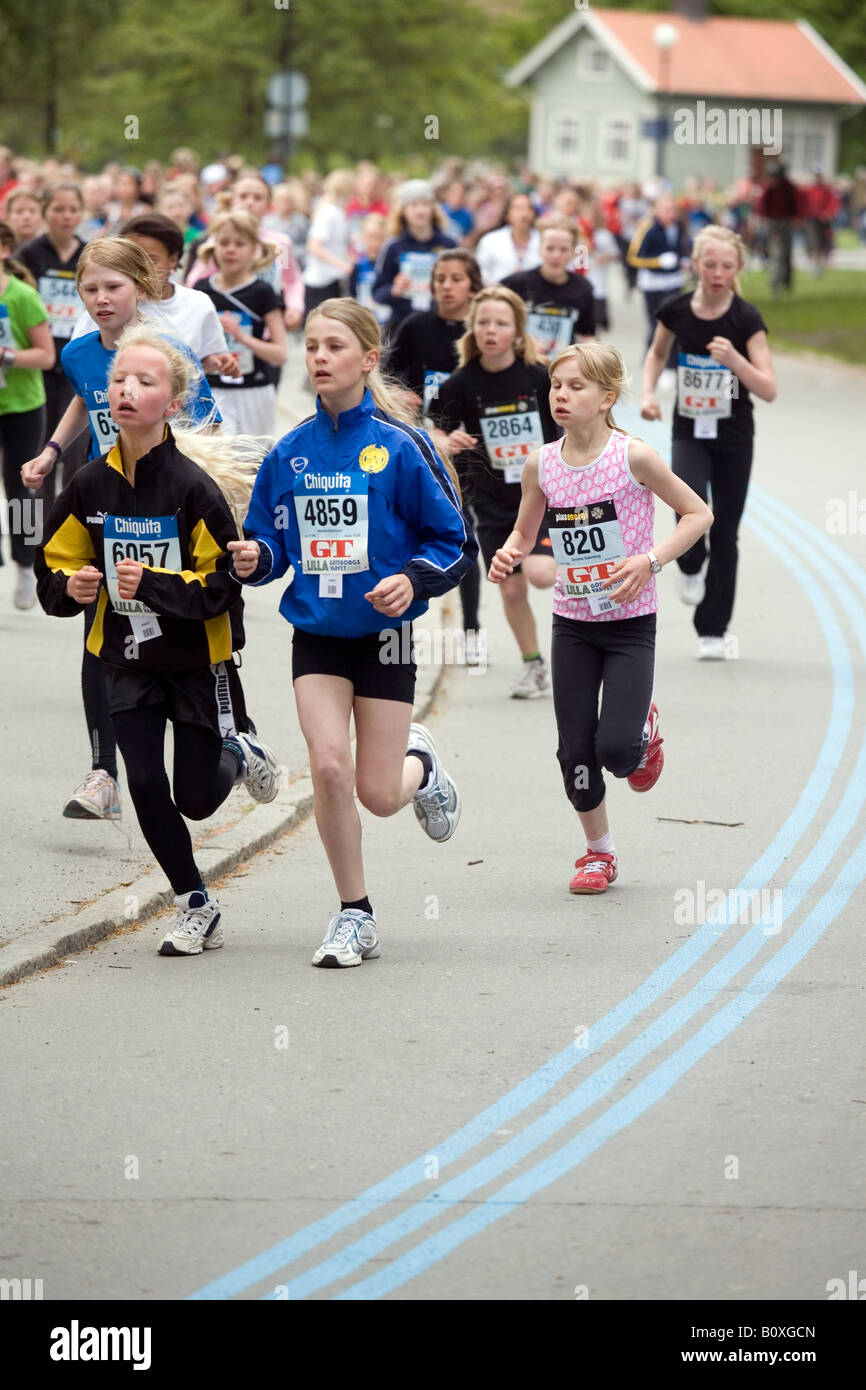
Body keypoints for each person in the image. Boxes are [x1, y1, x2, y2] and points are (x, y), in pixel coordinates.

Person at [230, 298, 477, 969]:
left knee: (376, 791)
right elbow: (269, 542)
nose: (317, 358)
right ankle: (354, 914)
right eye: (310, 346)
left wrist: (413, 581)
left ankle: (418, 766)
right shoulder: (289, 453)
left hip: (386, 637)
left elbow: (453, 543)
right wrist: (257, 560)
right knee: (330, 769)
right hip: (317, 634)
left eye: (333, 347)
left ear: (368, 360)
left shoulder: (401, 447)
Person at [35, 324, 279, 956]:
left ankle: (238, 743)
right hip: (125, 658)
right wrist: (76, 587)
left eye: (144, 381)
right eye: (118, 379)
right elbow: (51, 570)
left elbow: (222, 587)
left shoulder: (193, 489)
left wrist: (152, 584)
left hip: (199, 660)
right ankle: (194, 899)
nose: (125, 389)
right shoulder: (89, 484)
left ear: (172, 404)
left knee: (195, 800)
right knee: (142, 782)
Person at [489, 342, 712, 893]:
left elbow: (697, 513)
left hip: (630, 623)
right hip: (573, 623)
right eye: (555, 386)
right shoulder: (541, 463)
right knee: (575, 747)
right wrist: (510, 551)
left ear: (607, 397)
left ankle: (642, 727)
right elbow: (524, 528)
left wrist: (651, 560)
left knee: (616, 752)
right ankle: (598, 853)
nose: (560, 395)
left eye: (575, 386)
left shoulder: (634, 456)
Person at [20, 236, 220, 821]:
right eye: (90, 289)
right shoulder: (81, 353)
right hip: (108, 501)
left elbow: (210, 428)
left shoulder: (167, 353)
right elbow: (86, 400)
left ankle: (228, 733)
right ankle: (103, 773)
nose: (102, 299)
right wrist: (54, 450)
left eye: (114, 287)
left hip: (171, 504)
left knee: (180, 633)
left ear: (142, 289)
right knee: (99, 630)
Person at [640, 225, 777, 660]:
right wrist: (647, 393)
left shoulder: (746, 318)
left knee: (728, 532)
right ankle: (690, 563)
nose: (718, 273)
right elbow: (657, 353)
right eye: (710, 264)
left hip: (734, 436)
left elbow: (768, 387)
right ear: (696, 264)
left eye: (727, 266)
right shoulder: (676, 310)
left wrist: (735, 360)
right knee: (690, 506)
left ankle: (713, 629)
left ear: (737, 268)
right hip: (689, 429)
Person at [430, 285, 558, 698]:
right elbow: (435, 428)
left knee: (540, 575)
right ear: (472, 329)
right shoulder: (461, 383)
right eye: (482, 322)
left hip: (544, 496)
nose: (490, 330)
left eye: (501, 323)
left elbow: (568, 423)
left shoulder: (540, 378)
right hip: (490, 499)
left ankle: (587, 632)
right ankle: (534, 666)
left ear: (518, 333)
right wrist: (449, 441)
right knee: (511, 586)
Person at [387, 248, 484, 658]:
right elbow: (389, 383)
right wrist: (405, 401)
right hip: (425, 447)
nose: (446, 286)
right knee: (424, 533)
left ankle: (472, 630)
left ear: (474, 286)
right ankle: (398, 625)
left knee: (469, 536)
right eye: (440, 278)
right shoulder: (415, 327)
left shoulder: (485, 330)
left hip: (476, 449)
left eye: (456, 279)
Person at [69, 213, 238, 382]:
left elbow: (204, 360)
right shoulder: (108, 308)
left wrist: (215, 362)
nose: (141, 270)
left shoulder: (198, 304)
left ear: (173, 259)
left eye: (151, 260)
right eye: (133, 261)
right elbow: (80, 364)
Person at [16, 181, 88, 507]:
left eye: (73, 209)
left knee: (75, 452)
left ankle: (70, 525)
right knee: (37, 452)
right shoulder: (28, 255)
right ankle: (32, 539)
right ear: (46, 213)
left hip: (76, 364)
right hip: (40, 366)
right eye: (58, 209)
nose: (66, 216)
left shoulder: (88, 255)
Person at [192, 209, 288, 436]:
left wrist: (242, 337)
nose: (230, 249)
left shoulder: (263, 293)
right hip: (211, 389)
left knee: (251, 462)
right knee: (211, 462)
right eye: (224, 242)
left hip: (253, 389)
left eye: (239, 243)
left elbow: (280, 354)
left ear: (254, 249)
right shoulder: (200, 290)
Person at [0, 220, 55, 608]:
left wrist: (5, 356)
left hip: (21, 405)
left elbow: (46, 355)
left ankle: (26, 563)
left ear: (5, 249)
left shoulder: (22, 296)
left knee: (22, 490)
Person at [502, 216, 595, 358]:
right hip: (520, 365)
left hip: (562, 370)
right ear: (539, 249)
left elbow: (587, 335)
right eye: (550, 248)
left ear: (573, 252)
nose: (556, 255)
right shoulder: (514, 284)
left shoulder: (583, 289)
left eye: (564, 249)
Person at [371, 179, 456, 333]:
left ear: (433, 208)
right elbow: (377, 292)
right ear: (403, 210)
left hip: (441, 324)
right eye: (414, 205)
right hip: (403, 325)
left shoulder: (449, 245)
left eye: (425, 204)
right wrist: (394, 289)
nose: (420, 210)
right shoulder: (393, 246)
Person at [627, 192, 691, 374]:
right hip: (652, 282)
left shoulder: (679, 226)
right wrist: (658, 261)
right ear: (656, 210)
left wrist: (683, 260)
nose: (669, 214)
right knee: (655, 323)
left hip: (673, 281)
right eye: (665, 209)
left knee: (673, 321)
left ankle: (671, 364)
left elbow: (681, 249)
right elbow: (633, 258)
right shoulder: (647, 227)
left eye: (673, 210)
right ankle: (651, 359)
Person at [302, 169, 354, 316]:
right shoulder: (329, 213)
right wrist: (342, 264)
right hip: (321, 280)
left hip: (332, 279)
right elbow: (314, 246)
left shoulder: (338, 212)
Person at [475, 192, 541, 284]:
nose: (524, 214)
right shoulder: (490, 240)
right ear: (507, 214)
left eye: (529, 208)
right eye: (518, 208)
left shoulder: (544, 241)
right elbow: (480, 271)